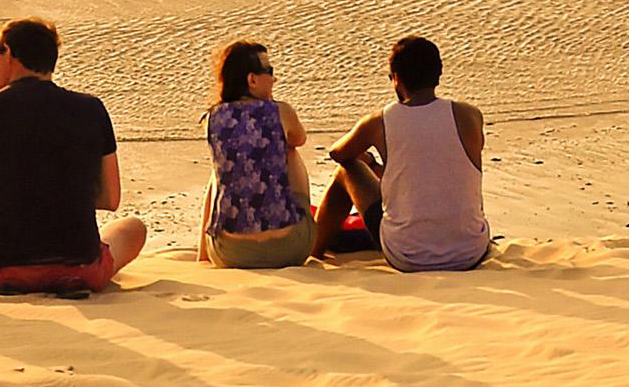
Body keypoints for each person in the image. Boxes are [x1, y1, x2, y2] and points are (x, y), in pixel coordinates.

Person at [0, 18, 147, 292]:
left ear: (8, 53)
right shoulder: (92, 109)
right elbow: (110, 199)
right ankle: (67, 271)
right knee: (134, 227)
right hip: (83, 268)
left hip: (4, 268)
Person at [316, 36, 491, 273]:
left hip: (408, 255)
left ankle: (314, 251)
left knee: (346, 169)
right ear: (438, 74)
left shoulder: (380, 122)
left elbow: (338, 153)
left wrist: (368, 160)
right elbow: (436, 165)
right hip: (470, 251)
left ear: (396, 78)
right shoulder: (469, 115)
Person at [200, 39, 314, 268]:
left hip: (230, 253)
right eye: (269, 72)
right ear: (252, 79)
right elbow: (299, 139)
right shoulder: (281, 111)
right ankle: (296, 226)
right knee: (290, 150)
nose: (274, 79)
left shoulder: (213, 117)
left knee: (223, 170)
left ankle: (202, 254)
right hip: (289, 248)